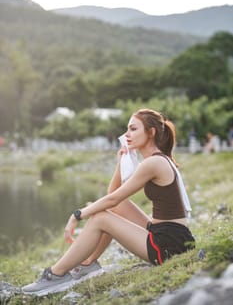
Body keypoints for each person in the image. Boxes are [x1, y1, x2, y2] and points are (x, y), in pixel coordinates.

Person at [22, 108, 195, 296]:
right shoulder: (156, 160)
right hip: (170, 236)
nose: (127, 134)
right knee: (112, 209)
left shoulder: (153, 163)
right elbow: (113, 196)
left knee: (99, 218)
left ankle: (56, 275)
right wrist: (120, 163)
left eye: (133, 129)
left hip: (168, 246)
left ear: (151, 132)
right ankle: (88, 263)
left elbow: (113, 198)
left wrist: (77, 214)